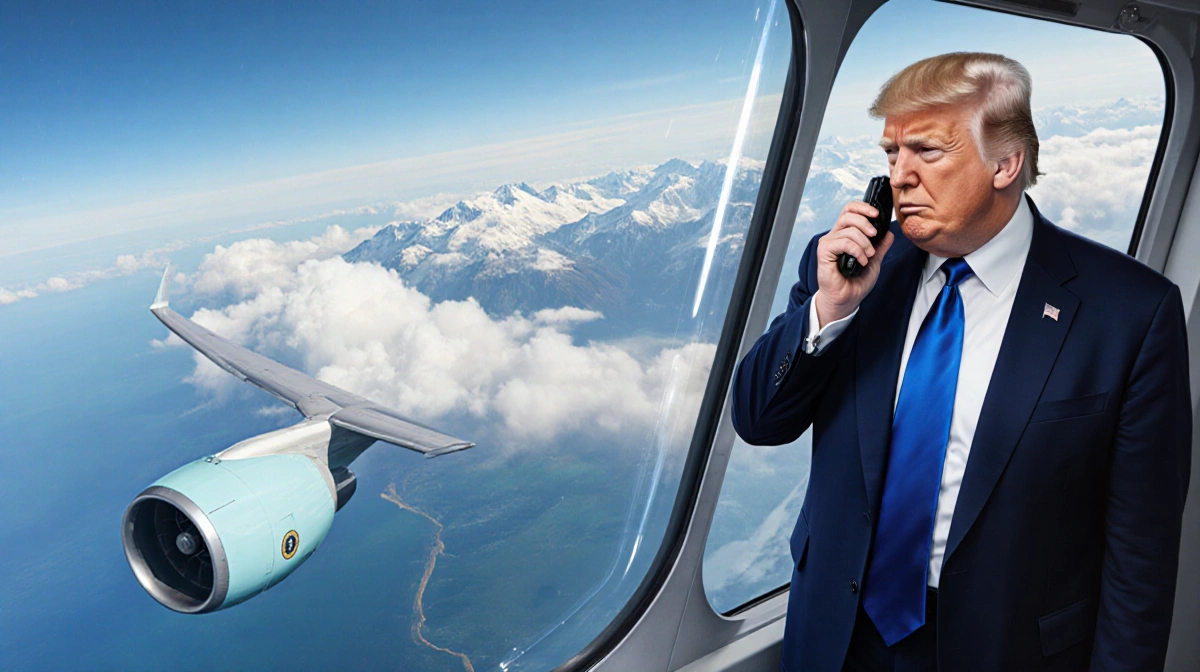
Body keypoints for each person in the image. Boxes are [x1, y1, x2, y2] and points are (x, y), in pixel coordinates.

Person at [730, 52, 1191, 672]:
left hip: (1008, 646)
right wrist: (830, 309)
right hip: (836, 633)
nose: (900, 177)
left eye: (927, 152)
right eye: (892, 154)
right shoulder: (847, 268)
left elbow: (1140, 555)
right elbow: (760, 421)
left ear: (1006, 164)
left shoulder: (1130, 313)